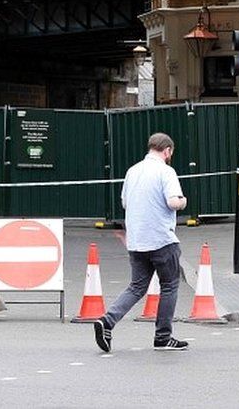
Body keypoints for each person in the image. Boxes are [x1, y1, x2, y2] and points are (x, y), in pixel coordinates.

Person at [93, 133, 188, 352]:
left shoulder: (132, 171)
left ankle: (107, 321)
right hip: (162, 239)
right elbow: (173, 202)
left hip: (136, 240)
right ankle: (163, 337)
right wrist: (183, 201)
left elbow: (125, 203)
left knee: (136, 287)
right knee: (170, 286)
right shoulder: (167, 171)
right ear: (167, 151)